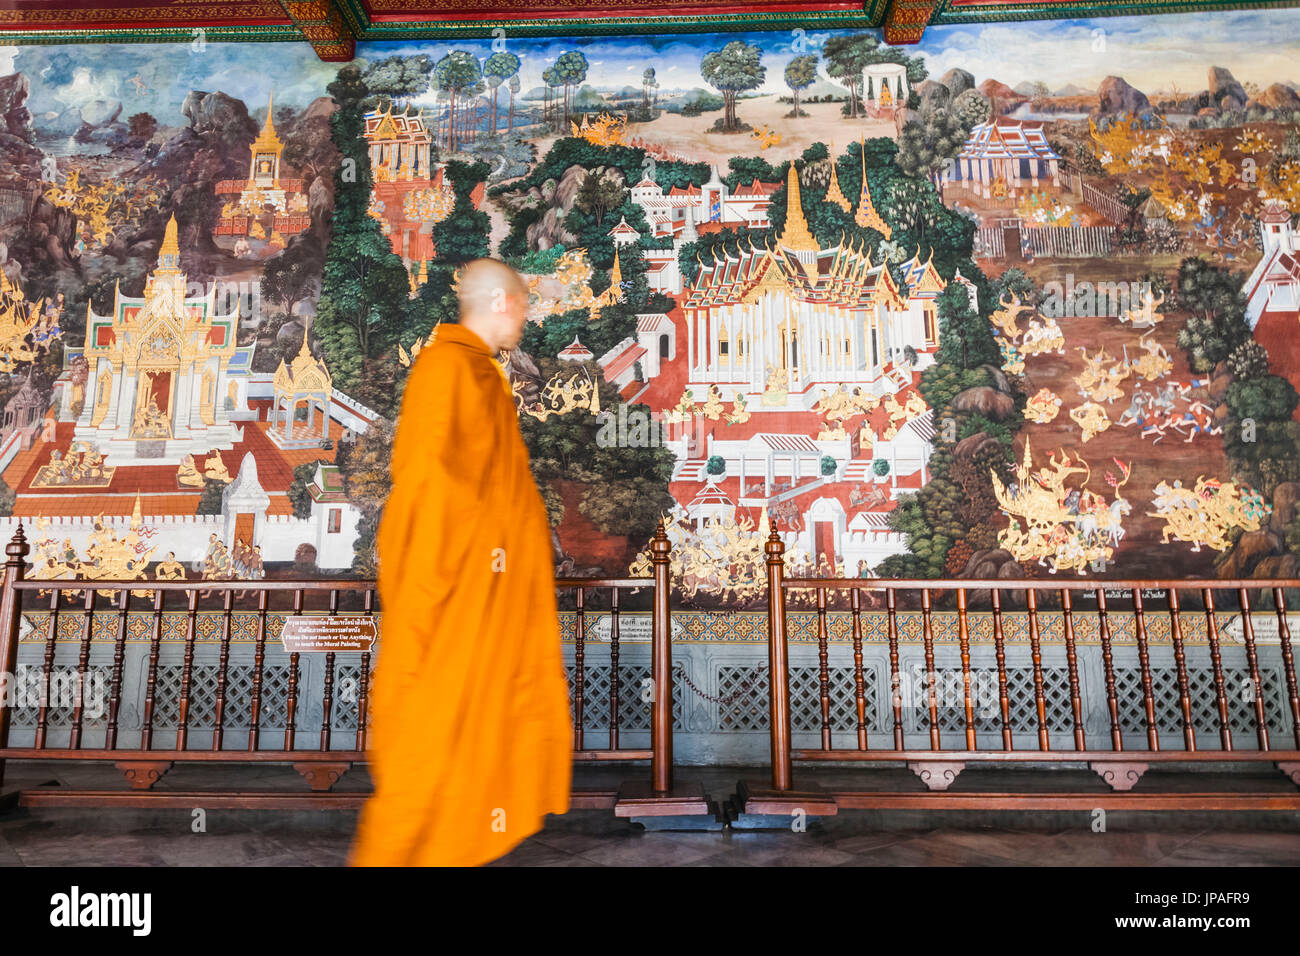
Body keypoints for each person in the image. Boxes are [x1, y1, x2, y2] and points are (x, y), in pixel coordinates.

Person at [350, 258, 571, 867]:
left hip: (485, 593)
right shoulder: (445, 368)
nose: (526, 316)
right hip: (453, 592)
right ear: (501, 301)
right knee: (434, 741)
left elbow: (491, 483)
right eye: (523, 304)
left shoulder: (480, 373)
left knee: (481, 736)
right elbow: (426, 485)